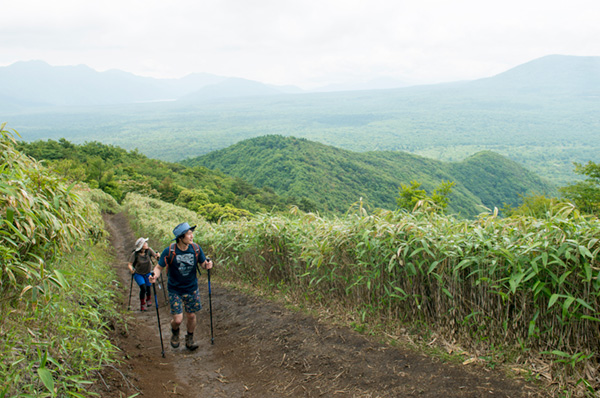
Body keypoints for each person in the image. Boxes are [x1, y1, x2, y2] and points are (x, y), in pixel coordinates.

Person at [150, 222, 213, 351]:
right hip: (175, 289)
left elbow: (203, 264)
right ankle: (175, 331)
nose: (191, 236)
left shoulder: (195, 248)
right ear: (181, 237)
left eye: (191, 233)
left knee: (191, 316)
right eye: (189, 234)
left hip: (191, 288)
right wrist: (154, 276)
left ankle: (190, 338)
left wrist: (208, 265)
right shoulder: (169, 251)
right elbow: (158, 267)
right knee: (178, 319)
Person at [128, 237, 160, 311]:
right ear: (141, 246)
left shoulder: (149, 251)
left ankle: (148, 299)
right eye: (145, 243)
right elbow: (130, 264)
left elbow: (156, 257)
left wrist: (158, 256)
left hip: (148, 273)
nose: (146, 244)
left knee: (148, 287)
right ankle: (142, 304)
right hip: (138, 274)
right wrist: (131, 269)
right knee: (143, 287)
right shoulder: (135, 254)